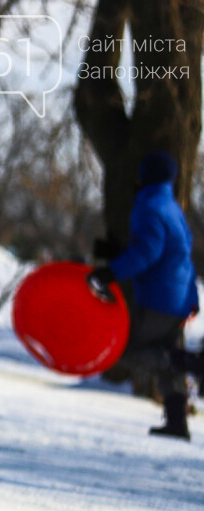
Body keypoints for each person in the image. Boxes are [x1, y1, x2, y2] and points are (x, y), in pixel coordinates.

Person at [87, 151, 197, 441]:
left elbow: (148, 253)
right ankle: (177, 422)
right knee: (164, 354)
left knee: (125, 348)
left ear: (145, 175)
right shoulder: (171, 207)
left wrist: (111, 272)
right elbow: (178, 251)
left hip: (162, 297)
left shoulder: (148, 207)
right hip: (180, 296)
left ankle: (193, 364)